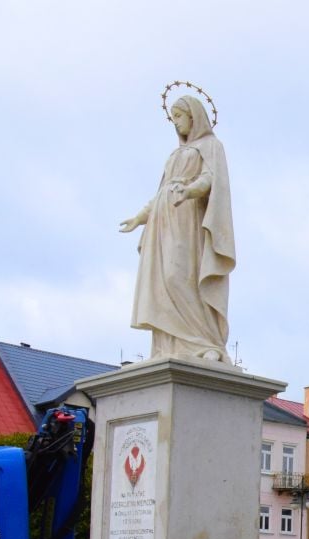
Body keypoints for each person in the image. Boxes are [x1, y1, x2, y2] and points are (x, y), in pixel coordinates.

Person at [120, 94, 235, 363]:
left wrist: (190, 191)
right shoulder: (175, 154)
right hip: (162, 221)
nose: (176, 124)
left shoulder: (211, 146)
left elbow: (210, 179)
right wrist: (140, 217)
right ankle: (170, 346)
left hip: (188, 219)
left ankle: (206, 342)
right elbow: (161, 191)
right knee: (161, 284)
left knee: (179, 276)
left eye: (179, 118)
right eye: (173, 119)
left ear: (193, 116)